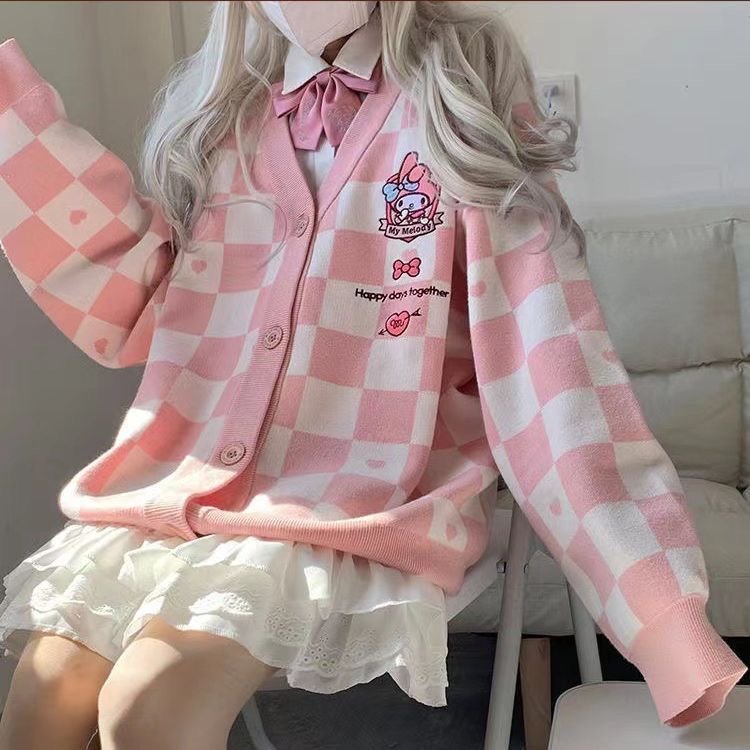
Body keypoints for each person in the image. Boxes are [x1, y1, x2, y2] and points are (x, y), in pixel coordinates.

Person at [0, 2, 745, 748]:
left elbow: (547, 370)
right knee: (42, 699)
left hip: (362, 504)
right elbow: (141, 301)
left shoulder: (456, 107)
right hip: (172, 497)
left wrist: (663, 619)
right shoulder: (223, 121)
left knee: (149, 712)